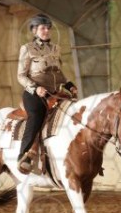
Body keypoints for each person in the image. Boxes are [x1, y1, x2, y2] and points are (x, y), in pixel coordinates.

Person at [17, 13, 78, 173]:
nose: (46, 31)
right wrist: (36, 88)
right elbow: (21, 76)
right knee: (36, 116)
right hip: (34, 94)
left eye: (48, 28)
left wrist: (69, 85)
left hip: (53, 93)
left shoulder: (56, 49)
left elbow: (58, 72)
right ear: (34, 30)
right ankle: (24, 155)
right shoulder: (27, 49)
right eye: (42, 28)